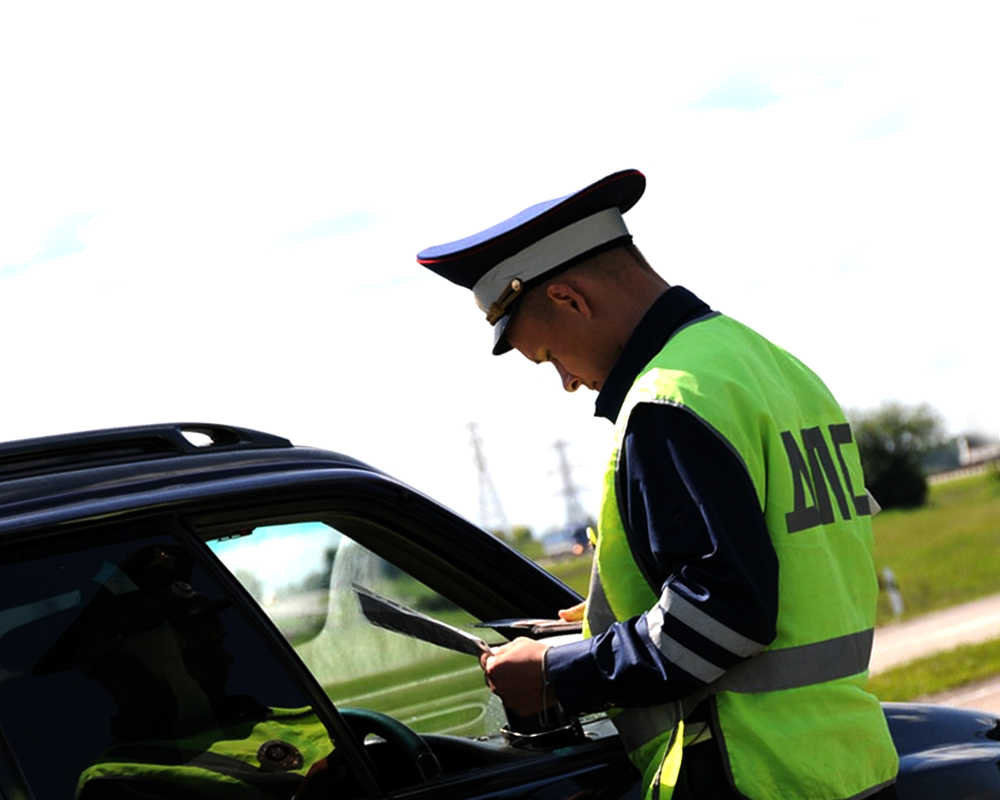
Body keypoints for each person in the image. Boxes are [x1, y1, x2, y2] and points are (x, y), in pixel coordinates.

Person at [416, 169, 899, 800]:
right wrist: (617, 617)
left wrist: (557, 672)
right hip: (850, 762)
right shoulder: (769, 365)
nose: (567, 381)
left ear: (569, 299)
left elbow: (723, 616)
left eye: (549, 357)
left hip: (753, 773)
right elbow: (786, 572)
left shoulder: (666, 402)